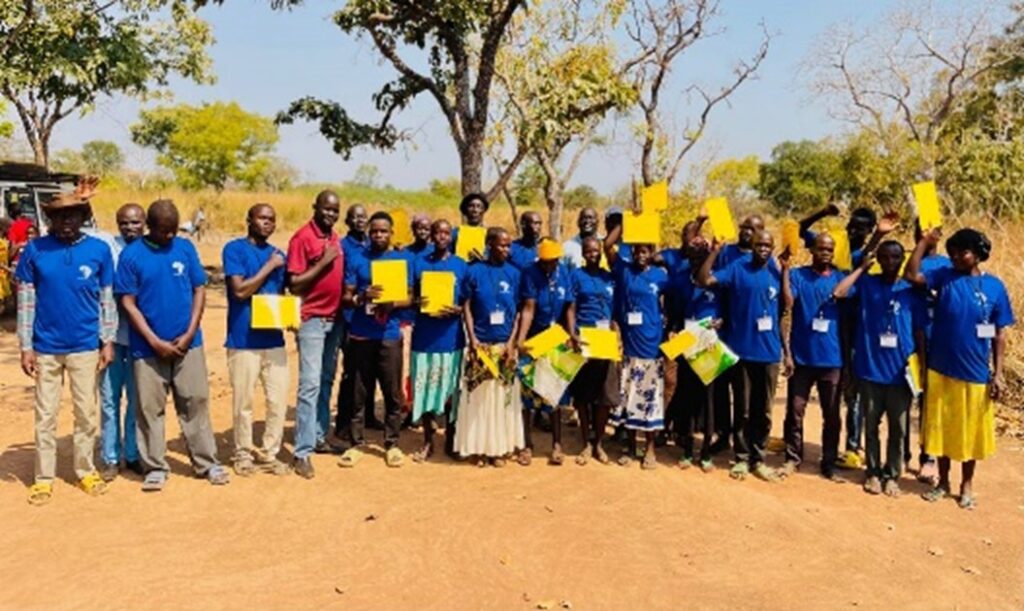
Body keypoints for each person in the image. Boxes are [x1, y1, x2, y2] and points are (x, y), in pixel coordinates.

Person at [116, 200, 229, 492]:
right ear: (149, 227)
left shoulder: (185, 248)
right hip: (147, 348)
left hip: (188, 344)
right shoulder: (132, 256)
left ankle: (207, 463)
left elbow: (199, 289)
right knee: (149, 408)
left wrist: (191, 332)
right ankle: (154, 466)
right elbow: (128, 302)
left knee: (195, 402)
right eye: (163, 231)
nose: (169, 236)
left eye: (172, 230)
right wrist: (154, 340)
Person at [16, 182, 116, 505]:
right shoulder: (35, 250)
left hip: (86, 345)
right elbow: (27, 301)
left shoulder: (99, 251)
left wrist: (108, 341)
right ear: (50, 220)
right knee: (45, 415)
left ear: (83, 216)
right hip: (45, 346)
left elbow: (106, 301)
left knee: (86, 413)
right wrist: (26, 345)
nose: (66, 222)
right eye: (59, 217)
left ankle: (85, 470)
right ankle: (43, 478)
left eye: (72, 216)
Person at [907, 228, 1014, 510]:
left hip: (976, 372)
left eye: (962, 252)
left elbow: (999, 333)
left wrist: (999, 374)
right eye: (952, 251)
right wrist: (923, 243)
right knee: (941, 429)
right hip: (941, 368)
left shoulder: (995, 287)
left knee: (969, 431)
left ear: (977, 255)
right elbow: (912, 276)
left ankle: (967, 485)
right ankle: (943, 482)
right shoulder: (943, 277)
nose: (955, 256)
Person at [799, 204, 897, 469]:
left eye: (862, 229)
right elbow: (800, 229)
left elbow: (865, 259)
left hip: (855, 327)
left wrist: (879, 235)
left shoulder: (858, 254)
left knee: (852, 389)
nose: (855, 230)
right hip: (830, 325)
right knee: (839, 385)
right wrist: (822, 211)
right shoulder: (833, 245)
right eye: (853, 225)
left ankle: (853, 446)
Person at [833, 240, 923, 497]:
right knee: (870, 427)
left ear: (902, 259)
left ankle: (892, 475)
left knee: (899, 429)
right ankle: (872, 472)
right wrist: (862, 268)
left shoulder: (910, 290)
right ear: (879, 259)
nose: (891, 262)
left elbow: (919, 332)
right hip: (870, 370)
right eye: (885, 257)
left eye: (896, 257)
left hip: (901, 374)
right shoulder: (867, 284)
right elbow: (839, 293)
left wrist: (921, 368)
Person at [697, 229, 784, 482]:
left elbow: (787, 305)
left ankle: (759, 460)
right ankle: (742, 458)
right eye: (759, 244)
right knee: (743, 410)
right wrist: (714, 251)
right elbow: (704, 280)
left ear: (772, 247)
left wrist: (787, 270)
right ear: (752, 246)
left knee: (764, 410)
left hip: (769, 353)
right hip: (742, 351)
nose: (763, 248)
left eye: (768, 245)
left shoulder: (777, 271)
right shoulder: (737, 268)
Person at [337, 212, 413, 468]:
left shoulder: (400, 261)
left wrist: (394, 303)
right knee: (359, 392)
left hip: (389, 335)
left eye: (384, 231)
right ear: (369, 233)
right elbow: (345, 297)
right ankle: (357, 444)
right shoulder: (357, 260)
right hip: (361, 334)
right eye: (375, 231)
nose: (379, 235)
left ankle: (391, 444)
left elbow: (411, 297)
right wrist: (361, 296)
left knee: (392, 393)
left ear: (392, 234)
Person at [222, 204, 291, 477]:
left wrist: (289, 314)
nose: (267, 223)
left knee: (277, 400)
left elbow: (281, 293)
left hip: (274, 338)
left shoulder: (279, 255)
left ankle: (269, 453)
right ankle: (242, 453)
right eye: (262, 218)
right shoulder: (235, 249)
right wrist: (269, 266)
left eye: (272, 219)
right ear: (249, 220)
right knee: (244, 402)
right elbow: (239, 291)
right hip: (243, 340)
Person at [286, 191, 344, 478]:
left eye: (336, 211)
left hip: (334, 319)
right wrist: (322, 262)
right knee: (309, 385)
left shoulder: (335, 237)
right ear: (315, 208)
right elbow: (294, 284)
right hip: (311, 319)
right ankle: (302, 452)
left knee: (325, 380)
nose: (331, 215)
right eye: (327, 209)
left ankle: (319, 435)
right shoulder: (302, 238)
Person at [780, 233, 846, 482]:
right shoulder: (799, 275)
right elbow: (788, 301)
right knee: (794, 411)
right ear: (812, 250)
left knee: (831, 415)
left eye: (830, 249)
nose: (825, 253)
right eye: (821, 249)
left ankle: (829, 463)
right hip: (802, 358)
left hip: (832, 359)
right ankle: (792, 459)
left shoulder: (840, 278)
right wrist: (785, 270)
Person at [455, 228, 524, 466]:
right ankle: (479, 448)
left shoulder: (514, 274)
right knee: (480, 401)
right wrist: (472, 340)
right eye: (501, 245)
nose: (506, 249)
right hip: (480, 347)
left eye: (508, 246)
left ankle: (498, 449)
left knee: (501, 400)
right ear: (489, 244)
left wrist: (512, 343)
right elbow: (466, 306)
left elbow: (517, 313)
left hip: (503, 347)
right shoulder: (474, 271)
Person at [603, 222, 668, 470]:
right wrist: (624, 222)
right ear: (632, 252)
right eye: (637, 251)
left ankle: (649, 449)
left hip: (652, 346)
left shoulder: (660, 276)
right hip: (628, 347)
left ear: (651, 252)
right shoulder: (624, 270)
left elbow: (672, 302)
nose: (641, 255)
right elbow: (607, 245)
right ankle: (631, 448)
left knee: (650, 400)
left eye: (645, 251)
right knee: (629, 398)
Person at [409, 219, 467, 462]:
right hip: (424, 337)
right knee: (425, 391)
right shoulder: (419, 263)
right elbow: (410, 296)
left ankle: (451, 440)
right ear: (431, 237)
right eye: (437, 233)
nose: (442, 237)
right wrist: (417, 303)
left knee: (452, 392)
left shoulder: (461, 265)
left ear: (451, 237)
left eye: (446, 232)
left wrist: (459, 310)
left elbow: (468, 302)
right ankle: (428, 441)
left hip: (451, 338)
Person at [665, 234, 721, 472]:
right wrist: (673, 331)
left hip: (709, 343)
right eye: (694, 255)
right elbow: (675, 314)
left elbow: (728, 311)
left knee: (708, 400)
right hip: (688, 342)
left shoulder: (717, 281)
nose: (698, 259)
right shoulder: (681, 281)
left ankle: (706, 452)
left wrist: (721, 322)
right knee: (687, 397)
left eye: (703, 254)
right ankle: (687, 451)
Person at [516, 238, 574, 466]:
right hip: (536, 339)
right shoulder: (530, 273)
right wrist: (521, 340)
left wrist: (572, 333)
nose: (549, 265)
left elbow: (569, 305)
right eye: (546, 262)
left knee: (554, 395)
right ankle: (527, 445)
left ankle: (556, 445)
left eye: (553, 261)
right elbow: (528, 308)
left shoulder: (564, 273)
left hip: (556, 338)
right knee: (529, 394)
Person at [98, 203, 145, 482]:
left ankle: (133, 453)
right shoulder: (107, 247)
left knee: (137, 400)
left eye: (136, 223)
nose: (130, 228)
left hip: (140, 339)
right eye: (124, 223)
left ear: (145, 224)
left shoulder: (149, 250)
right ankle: (110, 457)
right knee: (109, 399)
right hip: (112, 337)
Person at [904, 221, 952, 484]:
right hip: (906, 338)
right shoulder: (907, 259)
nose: (922, 234)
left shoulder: (946, 266)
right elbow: (909, 275)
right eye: (918, 230)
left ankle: (928, 457)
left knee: (928, 402)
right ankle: (899, 454)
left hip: (935, 342)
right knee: (900, 400)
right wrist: (921, 244)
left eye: (929, 230)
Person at [566, 236, 618, 465]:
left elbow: (615, 310)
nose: (593, 254)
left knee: (604, 397)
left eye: (596, 250)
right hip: (585, 339)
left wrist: (617, 335)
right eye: (588, 250)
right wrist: (572, 334)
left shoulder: (610, 277)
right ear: (583, 253)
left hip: (605, 340)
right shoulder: (576, 276)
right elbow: (570, 308)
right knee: (584, 396)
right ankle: (586, 442)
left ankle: (599, 443)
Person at [452, 192, 488, 260]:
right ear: (465, 210)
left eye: (479, 206)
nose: (475, 210)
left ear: (483, 211)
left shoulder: (488, 234)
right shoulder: (455, 233)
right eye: (471, 206)